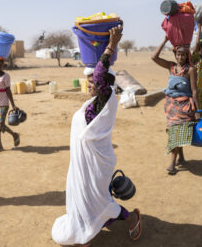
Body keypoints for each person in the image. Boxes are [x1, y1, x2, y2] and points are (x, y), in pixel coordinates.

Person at [52, 25, 142, 247]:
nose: (90, 85)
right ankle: (85, 231)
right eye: (89, 82)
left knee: (98, 201)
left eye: (94, 82)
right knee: (85, 199)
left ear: (106, 84)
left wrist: (111, 45)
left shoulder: (106, 97)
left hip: (95, 163)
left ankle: (131, 218)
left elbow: (101, 75)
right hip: (85, 164)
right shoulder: (94, 103)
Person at [151, 36, 201, 175]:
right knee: (175, 133)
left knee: (177, 134)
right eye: (178, 54)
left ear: (187, 55)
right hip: (171, 106)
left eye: (183, 54)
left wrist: (198, 110)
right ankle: (182, 158)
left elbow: (194, 91)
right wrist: (165, 40)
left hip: (185, 106)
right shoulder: (171, 66)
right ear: (175, 54)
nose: (180, 57)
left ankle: (172, 164)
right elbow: (153, 57)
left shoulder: (191, 70)